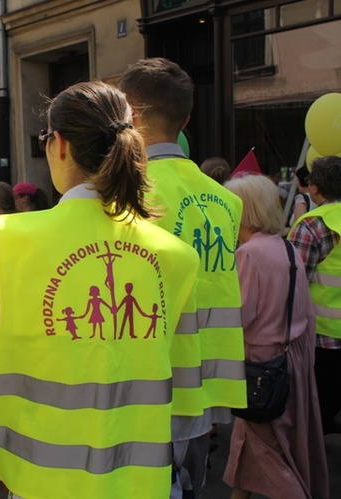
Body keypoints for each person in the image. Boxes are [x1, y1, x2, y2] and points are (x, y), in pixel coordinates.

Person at [0, 81, 199, 498]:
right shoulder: (178, 256)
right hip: (141, 478)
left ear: (59, 144)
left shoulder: (10, 236)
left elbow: (1, 364)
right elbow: (177, 387)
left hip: (42, 476)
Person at [119, 57, 246, 498]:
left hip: (158, 376)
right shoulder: (227, 200)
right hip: (211, 375)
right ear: (187, 119)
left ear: (128, 115)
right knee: (192, 484)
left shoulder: (129, 190)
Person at [223, 174, 329, 499]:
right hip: (288, 363)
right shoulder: (286, 247)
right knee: (253, 446)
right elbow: (306, 313)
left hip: (260, 368)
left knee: (269, 455)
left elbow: (236, 319)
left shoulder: (249, 255)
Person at [288, 155, 341, 434]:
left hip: (323, 341)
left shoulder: (311, 226)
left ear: (315, 187)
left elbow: (292, 285)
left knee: (314, 424)